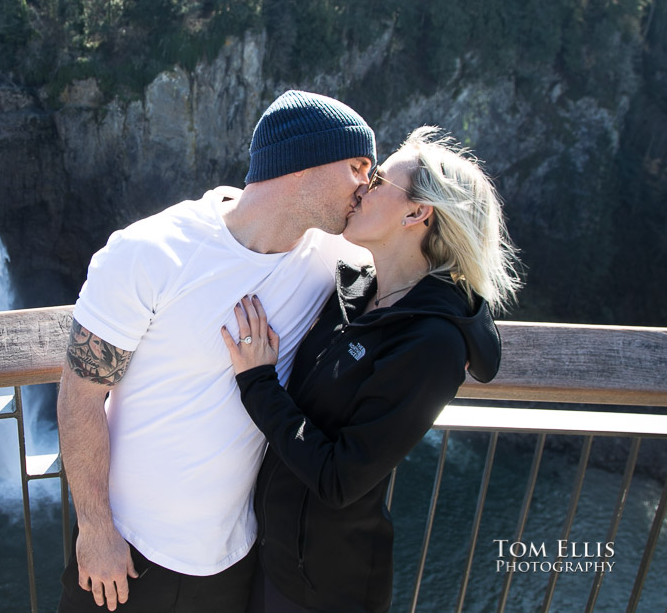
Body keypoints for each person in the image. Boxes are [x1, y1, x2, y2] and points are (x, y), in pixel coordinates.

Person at [56, 90, 378, 612]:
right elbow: (80, 396)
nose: (368, 186)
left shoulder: (333, 259)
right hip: (126, 549)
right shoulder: (152, 251)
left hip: (235, 558)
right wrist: (96, 530)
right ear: (302, 163)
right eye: (359, 165)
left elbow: (420, 261)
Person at [222, 127, 521, 612]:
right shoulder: (355, 290)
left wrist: (258, 382)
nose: (363, 187)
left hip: (323, 589)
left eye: (378, 180)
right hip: (267, 554)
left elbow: (340, 479)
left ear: (417, 212)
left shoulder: (431, 345)